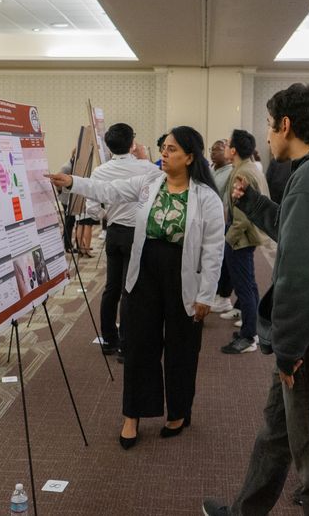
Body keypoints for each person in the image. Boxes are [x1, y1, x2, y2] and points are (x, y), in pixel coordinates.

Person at [203, 84, 309, 516]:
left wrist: (289, 349)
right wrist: (259, 204)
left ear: (286, 125)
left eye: (268, 125)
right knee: (276, 435)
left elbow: (307, 274)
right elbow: (300, 235)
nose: (266, 136)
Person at [47, 126, 224, 450]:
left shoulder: (206, 198)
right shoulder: (149, 182)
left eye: (171, 149)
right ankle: (133, 415)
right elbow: (110, 190)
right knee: (139, 343)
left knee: (182, 348)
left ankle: (178, 412)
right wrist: (73, 182)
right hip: (144, 271)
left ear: (189, 157)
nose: (164, 153)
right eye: (164, 148)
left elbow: (214, 250)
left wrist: (206, 295)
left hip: (184, 276)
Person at [84, 123, 157, 355]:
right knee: (130, 290)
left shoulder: (100, 171)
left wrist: (108, 215)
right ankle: (126, 345)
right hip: (137, 234)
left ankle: (108, 340)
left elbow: (92, 209)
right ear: (132, 143)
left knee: (111, 287)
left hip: (113, 233)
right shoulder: (145, 168)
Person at [220, 130, 269, 355]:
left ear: (233, 150)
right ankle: (253, 328)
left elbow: (240, 216)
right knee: (248, 284)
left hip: (240, 237)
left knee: (244, 287)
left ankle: (249, 337)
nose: (224, 148)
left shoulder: (243, 174)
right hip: (246, 235)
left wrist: (228, 239)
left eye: (227, 144)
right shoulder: (249, 168)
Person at [209, 139, 234, 314]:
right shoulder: (211, 169)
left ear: (226, 152)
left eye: (218, 149)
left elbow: (226, 202)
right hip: (208, 221)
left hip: (222, 221)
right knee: (212, 259)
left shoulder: (230, 172)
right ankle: (215, 293)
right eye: (212, 149)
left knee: (225, 260)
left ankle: (224, 297)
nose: (213, 152)